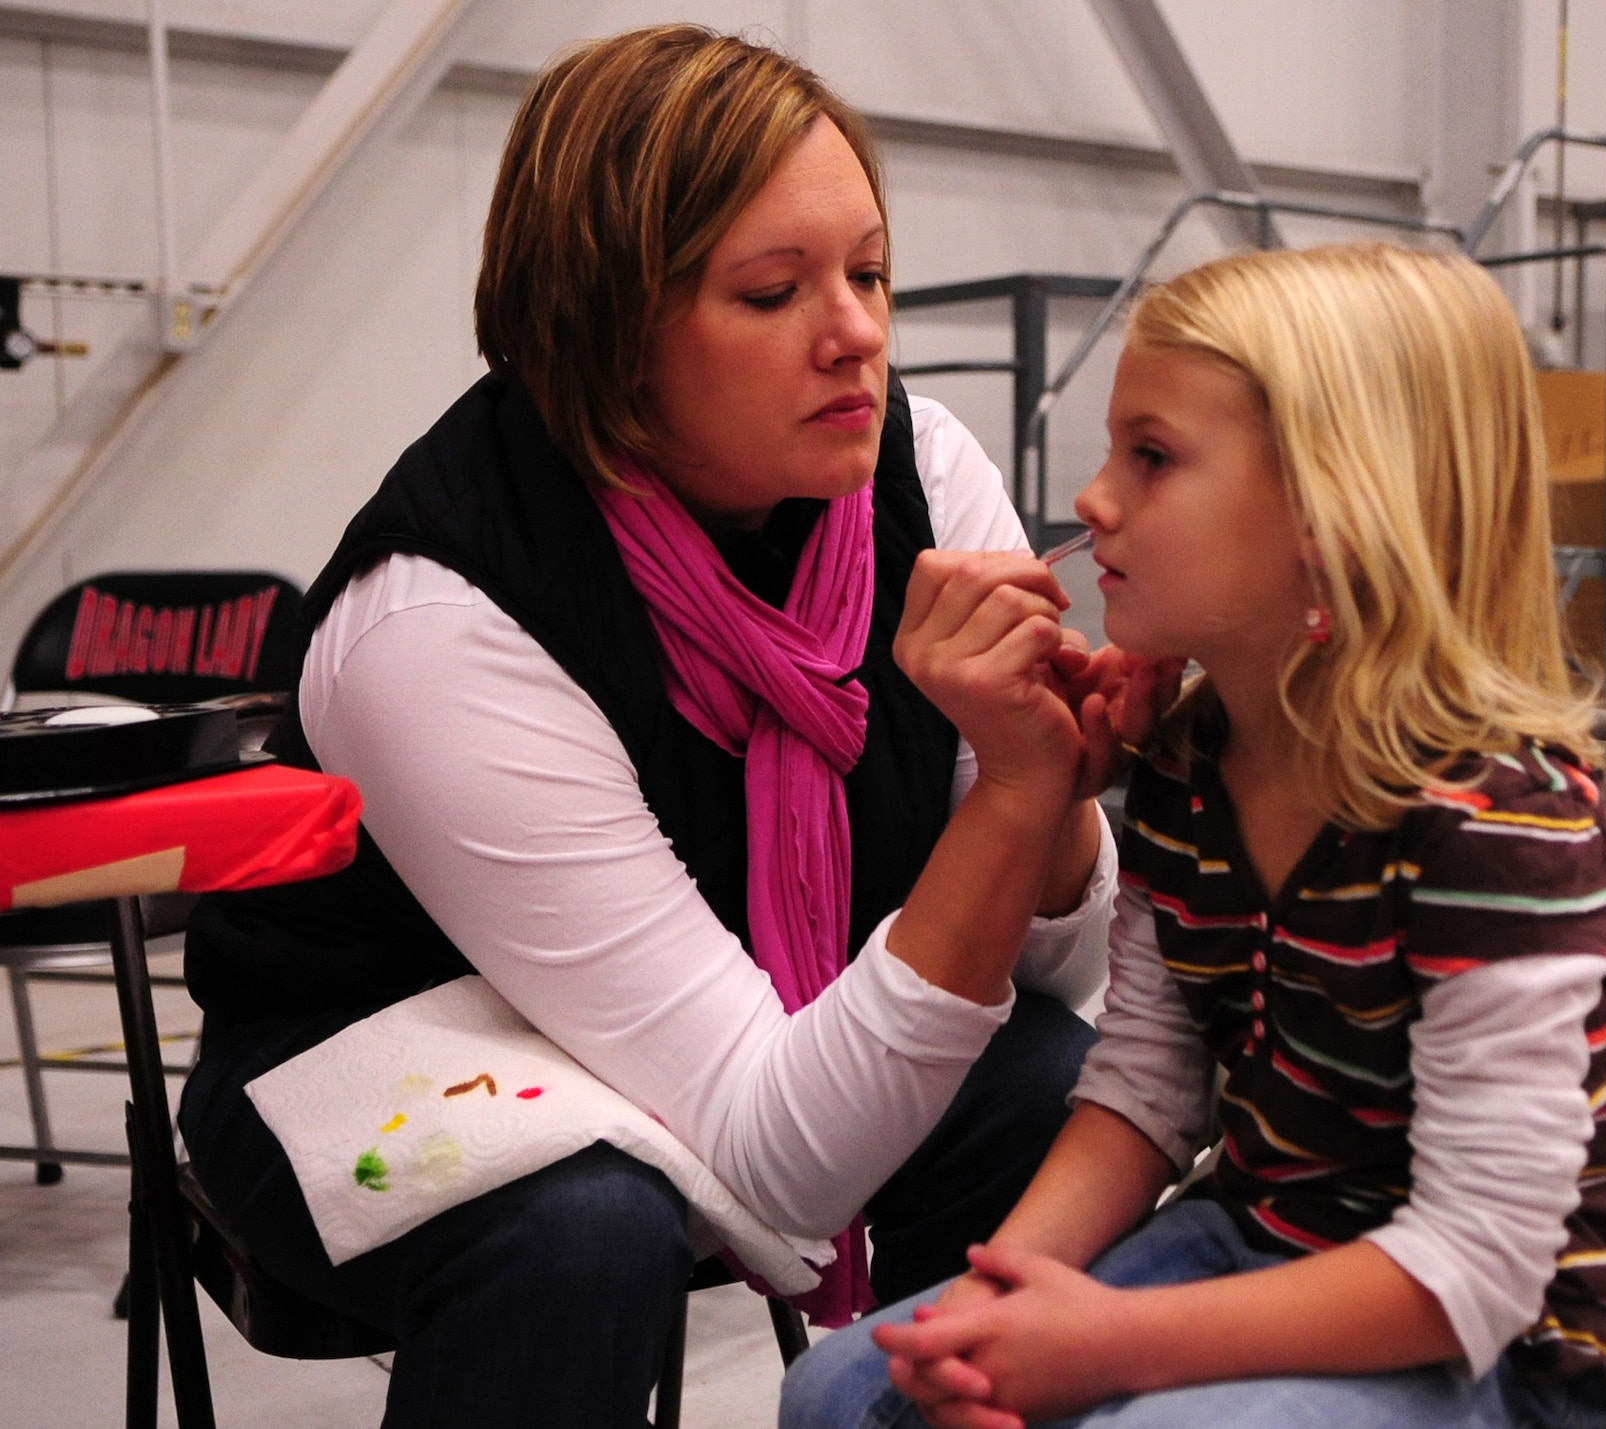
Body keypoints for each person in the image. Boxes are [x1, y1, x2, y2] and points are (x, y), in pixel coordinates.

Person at [177, 27, 1167, 1428]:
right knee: (581, 1231)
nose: (859, 333)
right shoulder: (438, 618)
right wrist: (1004, 798)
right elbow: (779, 1161)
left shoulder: (926, 477)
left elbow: (1057, 963)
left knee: (1057, 1098)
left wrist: (1054, 787)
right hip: (396, 1053)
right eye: (774, 291)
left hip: (773, 1004)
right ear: (602, 328)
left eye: (870, 272)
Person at [781, 243, 1606, 1429]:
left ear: (1334, 513)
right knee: (843, 1393)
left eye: (1150, 456)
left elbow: (1477, 1266)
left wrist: (1103, 1343)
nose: (1092, 499)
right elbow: (1146, 1086)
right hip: (1252, 1238)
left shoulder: (1494, 826)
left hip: (1495, 1349)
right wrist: (1000, 1305)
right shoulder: (1191, 765)